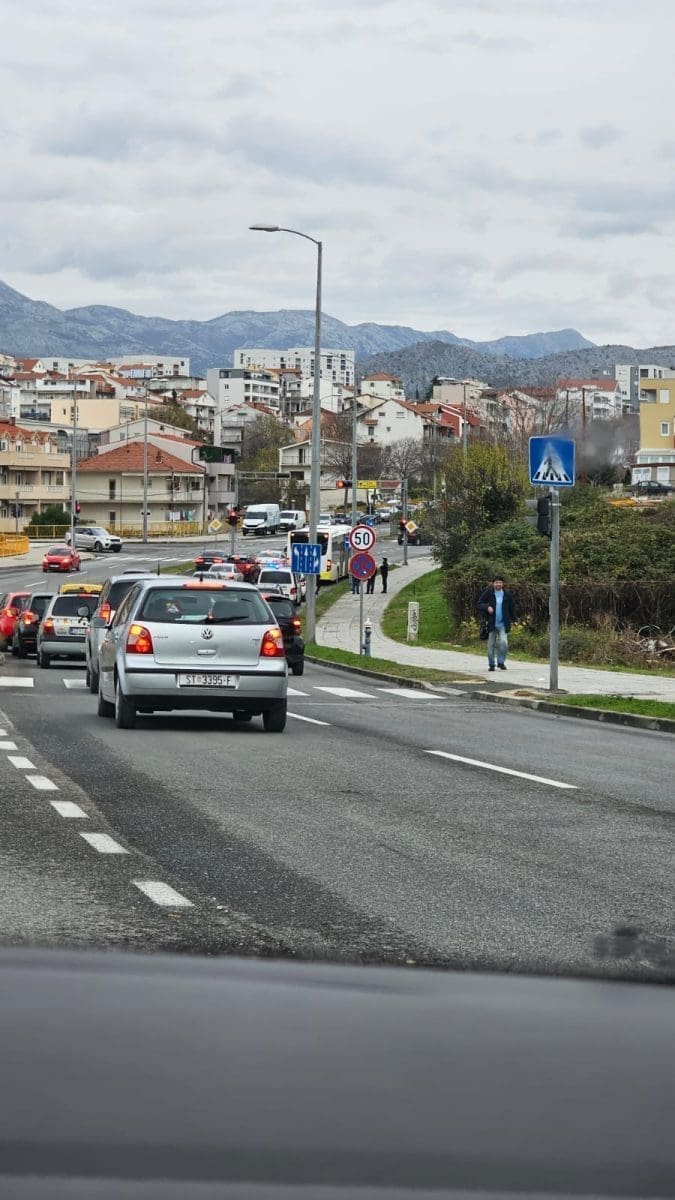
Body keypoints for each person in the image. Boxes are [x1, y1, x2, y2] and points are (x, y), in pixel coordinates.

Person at [477, 575, 516, 672]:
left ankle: (501, 662)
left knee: (504, 643)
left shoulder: (507, 594)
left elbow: (512, 607)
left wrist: (514, 619)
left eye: (500, 582)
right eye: (496, 582)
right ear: (493, 583)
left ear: (503, 584)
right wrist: (487, 607)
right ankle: (491, 664)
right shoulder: (489, 593)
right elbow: (479, 603)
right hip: (491, 624)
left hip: (503, 624)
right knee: (491, 645)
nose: (498, 584)